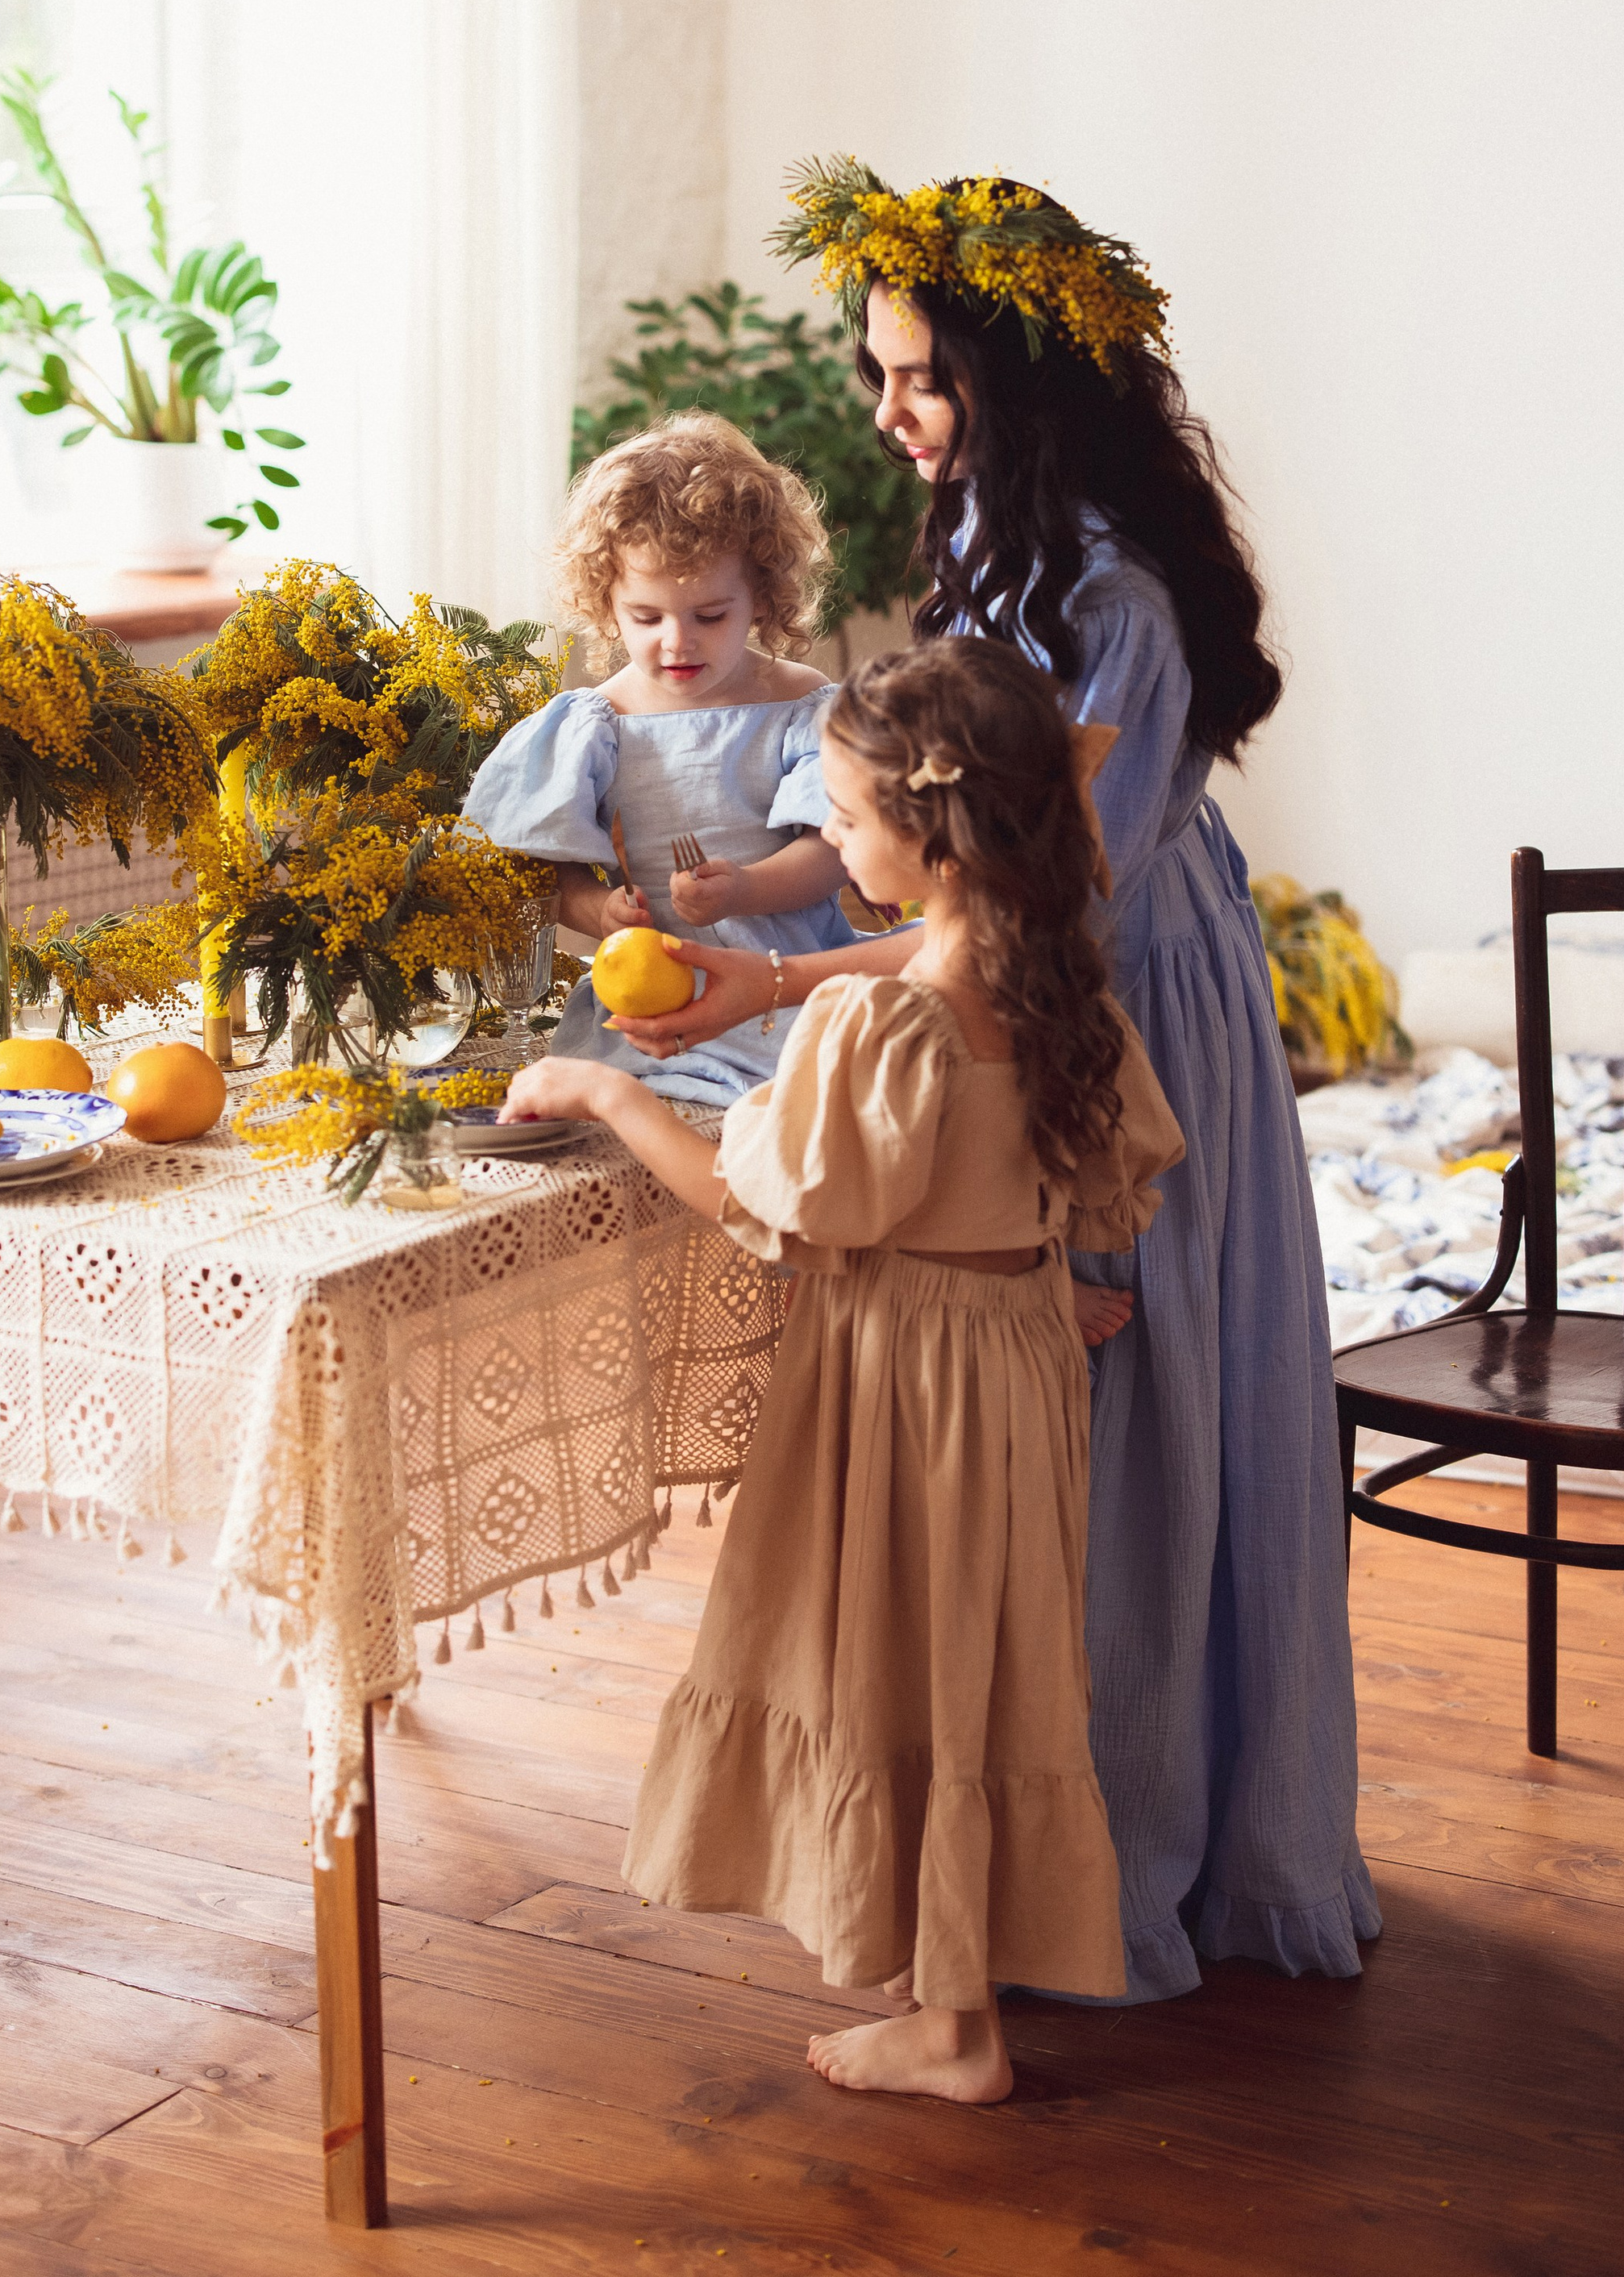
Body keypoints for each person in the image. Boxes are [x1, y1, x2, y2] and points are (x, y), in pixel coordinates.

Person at [615, 163, 1380, 2006]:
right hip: (1043, 982)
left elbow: (1016, 913)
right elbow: (938, 864)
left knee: (1126, 1419)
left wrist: (783, 980)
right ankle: (1009, 1869)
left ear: (1018, 385)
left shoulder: (1111, 597)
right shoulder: (1001, 543)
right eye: (879, 371)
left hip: (1116, 1004)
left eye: (920, 377)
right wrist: (761, 946)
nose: (888, 410)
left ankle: (1114, 1863)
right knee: (1066, 1439)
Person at [502, 641, 1185, 2099]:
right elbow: (1095, 1181)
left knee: (893, 1667)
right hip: (1013, 1363)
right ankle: (958, 1994)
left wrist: (608, 1090)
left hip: (906, 1382)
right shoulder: (1056, 985)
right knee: (983, 1672)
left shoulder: (884, 1016)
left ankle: (954, 2026)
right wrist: (1030, 1280)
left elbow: (774, 1208)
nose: (833, 832)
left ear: (937, 839)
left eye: (851, 812)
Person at [460, 410, 858, 1105]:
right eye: (647, 617)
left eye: (710, 615)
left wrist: (743, 890)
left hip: (789, 984)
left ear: (762, 597)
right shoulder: (596, 725)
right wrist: (597, 911)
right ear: (606, 602)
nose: (678, 641)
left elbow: (835, 851)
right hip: (655, 997)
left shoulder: (800, 705)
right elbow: (541, 871)